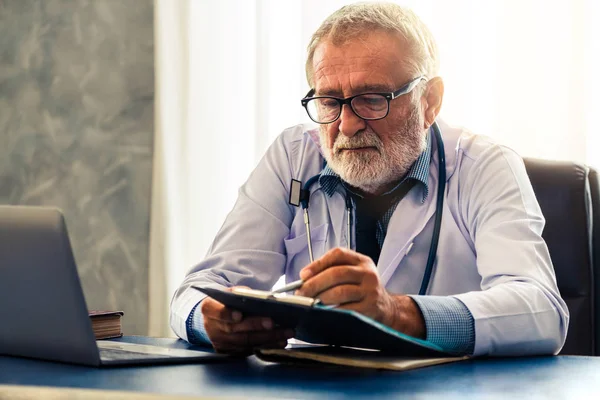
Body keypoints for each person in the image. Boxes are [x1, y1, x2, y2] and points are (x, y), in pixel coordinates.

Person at [170, 2, 569, 356]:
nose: (346, 124)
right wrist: (210, 322)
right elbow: (199, 288)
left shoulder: (485, 165)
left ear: (429, 101)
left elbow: (542, 312)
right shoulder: (294, 155)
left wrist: (396, 313)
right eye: (329, 101)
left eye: (372, 99)